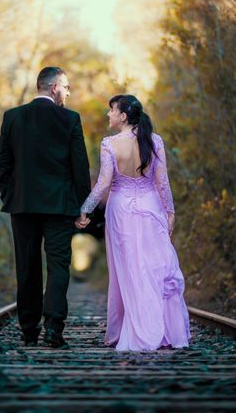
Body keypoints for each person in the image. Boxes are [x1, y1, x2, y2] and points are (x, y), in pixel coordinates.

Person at [76, 95, 191, 351]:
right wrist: (170, 212)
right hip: (151, 208)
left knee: (129, 272)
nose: (108, 115)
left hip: (121, 212)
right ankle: (160, 329)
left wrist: (84, 209)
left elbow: (104, 184)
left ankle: (137, 329)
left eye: (112, 111)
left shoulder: (109, 144)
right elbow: (162, 183)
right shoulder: (154, 140)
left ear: (123, 116)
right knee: (153, 268)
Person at [0, 67, 90, 349]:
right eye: (67, 87)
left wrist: (11, 195)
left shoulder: (12, 117)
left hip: (22, 205)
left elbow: (3, 164)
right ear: (54, 88)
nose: (68, 92)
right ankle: (53, 329)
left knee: (26, 267)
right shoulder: (70, 119)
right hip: (60, 207)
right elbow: (80, 167)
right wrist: (83, 207)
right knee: (59, 267)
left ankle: (28, 330)